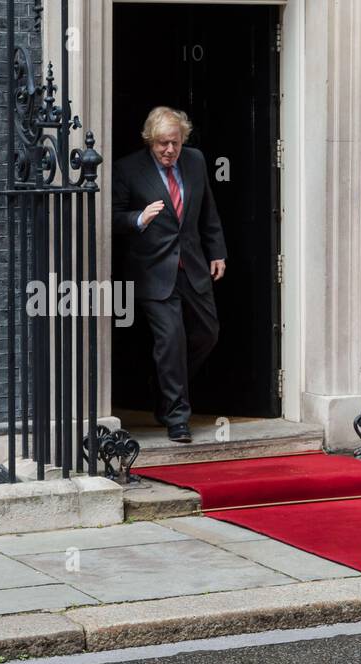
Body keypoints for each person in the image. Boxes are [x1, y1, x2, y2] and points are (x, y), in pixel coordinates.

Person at [111, 106, 227, 443]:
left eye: (175, 143)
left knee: (208, 333)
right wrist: (138, 218)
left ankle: (163, 384)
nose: (169, 150)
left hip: (191, 266)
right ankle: (177, 417)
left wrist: (217, 250)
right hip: (153, 271)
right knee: (171, 340)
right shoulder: (128, 169)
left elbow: (208, 211)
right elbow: (111, 218)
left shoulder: (195, 161)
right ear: (150, 141)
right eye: (163, 143)